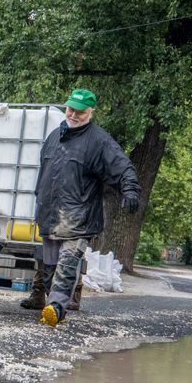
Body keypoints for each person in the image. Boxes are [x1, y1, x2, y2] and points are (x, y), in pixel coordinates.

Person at [34, 88, 140, 327]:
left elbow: (122, 167)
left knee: (68, 264)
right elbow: (43, 175)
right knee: (49, 267)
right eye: (71, 109)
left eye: (80, 112)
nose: (73, 114)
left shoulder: (99, 141)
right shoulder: (54, 137)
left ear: (90, 112)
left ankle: (57, 308)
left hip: (78, 218)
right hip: (50, 215)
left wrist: (130, 190)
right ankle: (52, 305)